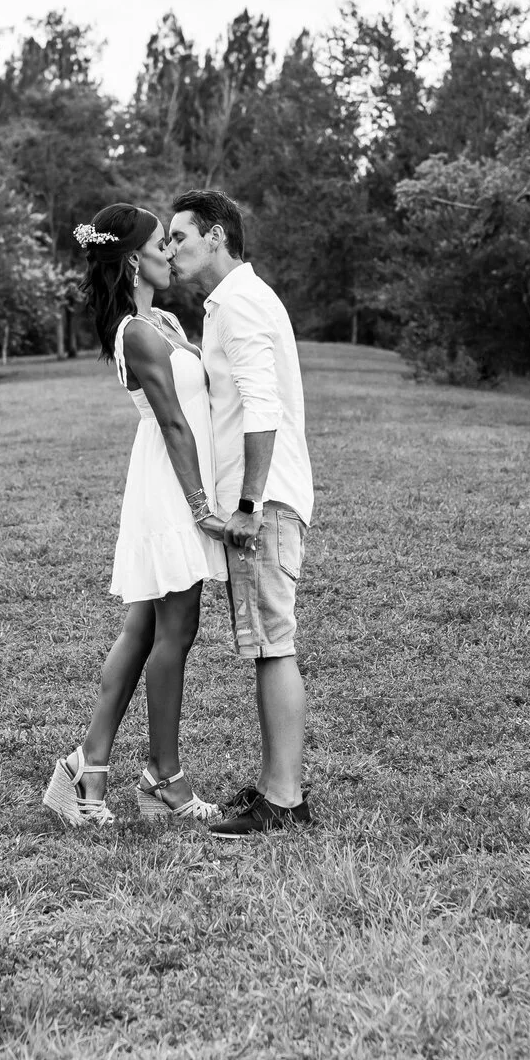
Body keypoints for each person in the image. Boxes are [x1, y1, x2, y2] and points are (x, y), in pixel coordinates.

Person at [41, 204, 233, 828]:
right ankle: (163, 780)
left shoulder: (168, 320)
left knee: (144, 629)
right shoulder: (136, 331)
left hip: (178, 477)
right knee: (174, 632)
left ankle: (86, 767)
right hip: (170, 486)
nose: (171, 251)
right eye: (160, 243)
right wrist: (202, 506)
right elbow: (174, 420)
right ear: (132, 261)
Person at [164, 188, 317, 838]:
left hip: (267, 505)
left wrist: (249, 506)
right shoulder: (230, 305)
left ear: (218, 236)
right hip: (265, 502)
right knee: (265, 648)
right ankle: (277, 790)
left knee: (274, 647)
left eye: (179, 236)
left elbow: (263, 409)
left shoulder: (240, 304)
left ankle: (284, 802)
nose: (169, 249)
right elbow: (236, 391)